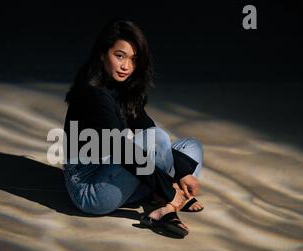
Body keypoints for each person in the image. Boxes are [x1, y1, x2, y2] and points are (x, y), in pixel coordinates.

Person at [62, 19, 204, 236]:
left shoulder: (123, 88)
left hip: (113, 169)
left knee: (191, 146)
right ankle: (166, 203)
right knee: (156, 139)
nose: (126, 66)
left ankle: (162, 197)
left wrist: (183, 173)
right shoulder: (93, 93)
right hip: (90, 189)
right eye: (119, 56)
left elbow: (145, 127)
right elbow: (122, 149)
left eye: (133, 59)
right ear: (102, 54)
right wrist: (169, 189)